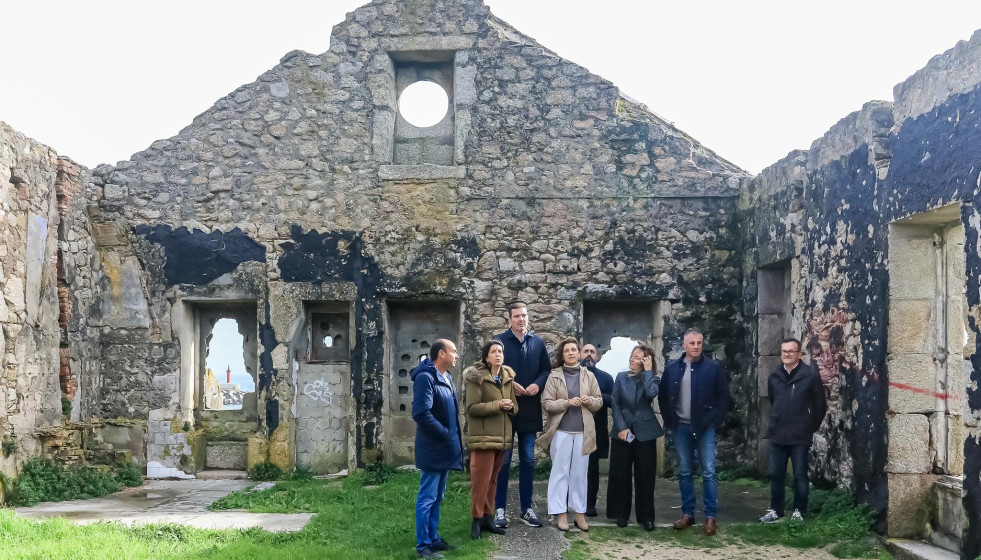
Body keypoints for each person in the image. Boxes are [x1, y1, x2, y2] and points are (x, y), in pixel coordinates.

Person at [659, 329, 731, 536]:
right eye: (692, 343)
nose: (696, 347)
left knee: (709, 471)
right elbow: (663, 396)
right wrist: (669, 420)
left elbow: (723, 397)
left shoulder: (713, 368)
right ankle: (688, 514)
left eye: (699, 343)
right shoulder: (673, 368)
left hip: (704, 427)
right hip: (680, 427)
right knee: (685, 472)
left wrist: (713, 420)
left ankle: (710, 517)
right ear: (684, 345)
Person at [493, 302, 551, 528]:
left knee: (528, 459)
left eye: (524, 315)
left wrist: (538, 384)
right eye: (516, 316)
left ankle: (526, 509)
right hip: (506, 409)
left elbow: (546, 369)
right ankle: (499, 509)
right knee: (504, 461)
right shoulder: (499, 342)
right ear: (509, 319)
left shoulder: (537, 343)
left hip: (530, 408)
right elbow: (491, 370)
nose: (521, 319)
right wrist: (510, 382)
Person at [759, 337, 827, 524]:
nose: (787, 354)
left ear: (799, 354)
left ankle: (799, 511)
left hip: (800, 436)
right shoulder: (774, 376)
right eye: (784, 351)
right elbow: (774, 401)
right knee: (777, 474)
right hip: (778, 434)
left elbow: (820, 405)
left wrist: (808, 426)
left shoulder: (810, 375)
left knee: (799, 475)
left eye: (791, 351)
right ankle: (776, 510)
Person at [538, 338, 603, 531]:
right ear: (563, 355)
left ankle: (580, 514)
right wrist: (566, 403)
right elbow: (547, 403)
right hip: (561, 431)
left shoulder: (588, 375)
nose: (571, 353)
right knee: (560, 473)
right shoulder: (554, 375)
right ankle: (561, 514)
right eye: (567, 351)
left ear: (579, 352)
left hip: (584, 432)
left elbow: (598, 401)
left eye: (574, 350)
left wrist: (589, 400)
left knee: (580, 475)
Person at [411, 339, 463, 559]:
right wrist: (444, 432)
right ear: (441, 354)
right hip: (433, 448)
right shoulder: (426, 378)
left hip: (445, 447)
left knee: (438, 496)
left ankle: (433, 538)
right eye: (453, 351)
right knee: (427, 497)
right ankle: (423, 546)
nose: (457, 355)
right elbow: (421, 413)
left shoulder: (447, 378)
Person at [463, 340, 518, 539]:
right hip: (483, 438)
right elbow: (472, 408)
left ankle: (488, 517)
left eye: (500, 351)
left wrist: (511, 406)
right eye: (493, 351)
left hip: (502, 439)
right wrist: (497, 405)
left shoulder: (507, 377)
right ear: (486, 357)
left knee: (493, 480)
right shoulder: (476, 377)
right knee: (480, 481)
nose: (498, 354)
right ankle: (476, 520)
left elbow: (515, 407)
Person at [607, 343, 662, 531]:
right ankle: (621, 514)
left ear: (646, 361)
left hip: (645, 434)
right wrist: (622, 428)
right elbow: (615, 403)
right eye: (632, 355)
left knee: (645, 476)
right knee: (620, 474)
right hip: (623, 433)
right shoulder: (621, 377)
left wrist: (647, 372)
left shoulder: (653, 378)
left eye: (638, 357)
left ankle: (646, 517)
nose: (632, 359)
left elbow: (651, 394)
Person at [580, 344, 614, 517]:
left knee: (592, 469)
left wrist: (596, 398)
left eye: (592, 352)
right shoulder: (572, 375)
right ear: (580, 354)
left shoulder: (606, 378)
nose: (588, 355)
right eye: (585, 351)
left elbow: (614, 400)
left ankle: (590, 504)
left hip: (595, 429)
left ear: (598, 357)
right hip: (574, 428)